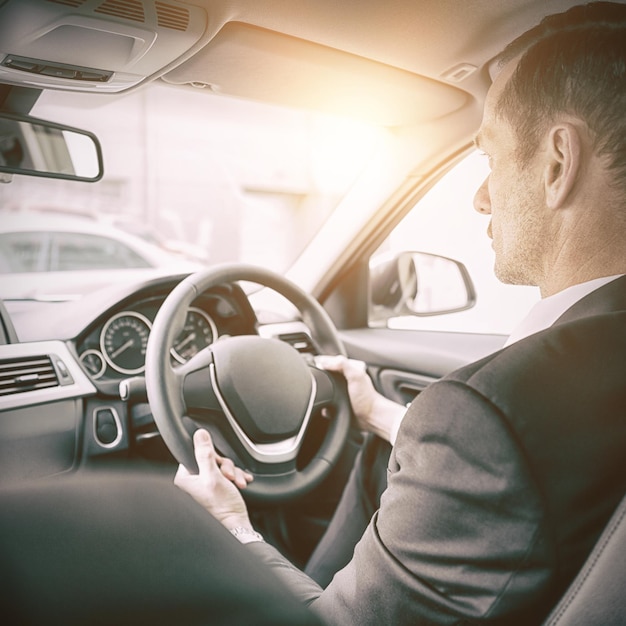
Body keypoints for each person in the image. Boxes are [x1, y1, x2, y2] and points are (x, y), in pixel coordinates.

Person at [174, 3, 626, 624]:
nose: (479, 195)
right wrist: (385, 415)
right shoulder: (567, 378)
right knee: (372, 464)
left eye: (490, 159)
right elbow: (534, 466)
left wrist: (230, 526)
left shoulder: (488, 412)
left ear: (557, 164)